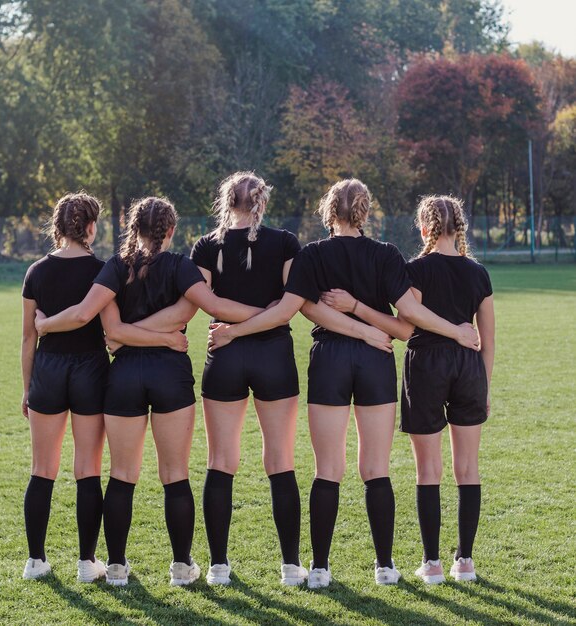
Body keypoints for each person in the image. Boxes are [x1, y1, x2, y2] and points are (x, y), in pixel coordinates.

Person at [209, 179, 480, 588]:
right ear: (365, 213)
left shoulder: (313, 253)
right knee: (376, 469)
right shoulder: (386, 254)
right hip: (376, 361)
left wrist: (351, 315)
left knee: (327, 469)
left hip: (329, 361)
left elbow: (304, 309)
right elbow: (405, 326)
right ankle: (385, 567)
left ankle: (319, 568)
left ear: (327, 211)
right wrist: (369, 327)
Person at [34, 196, 267, 587]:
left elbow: (115, 333)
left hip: (122, 377)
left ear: (132, 228)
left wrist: (129, 338)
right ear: (171, 230)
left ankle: (118, 568)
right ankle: (180, 568)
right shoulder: (181, 266)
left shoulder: (113, 267)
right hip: (169, 376)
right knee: (174, 475)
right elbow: (210, 306)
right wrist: (268, 312)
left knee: (122, 475)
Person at [190, 172, 309, 585]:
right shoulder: (285, 242)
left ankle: (218, 567)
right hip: (273, 353)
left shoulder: (207, 245)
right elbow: (288, 306)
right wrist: (262, 315)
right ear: (262, 201)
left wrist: (233, 328)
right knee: (280, 461)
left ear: (227, 201)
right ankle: (292, 568)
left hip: (224, 352)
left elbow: (208, 303)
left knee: (220, 462)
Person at [401, 196, 494, 583]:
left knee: (428, 469)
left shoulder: (416, 270)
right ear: (460, 228)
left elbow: (409, 321)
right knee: (467, 468)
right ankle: (466, 562)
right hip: (469, 368)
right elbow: (487, 340)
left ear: (425, 229)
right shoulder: (478, 272)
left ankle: (433, 563)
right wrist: (483, 385)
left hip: (426, 364)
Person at [20, 192, 109, 582]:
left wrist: (28, 388)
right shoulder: (105, 270)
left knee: (42, 469)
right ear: (91, 227)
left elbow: (28, 339)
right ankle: (87, 564)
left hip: (48, 370)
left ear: (57, 227)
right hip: (91, 368)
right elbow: (109, 330)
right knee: (88, 469)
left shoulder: (36, 271)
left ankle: (35, 562)